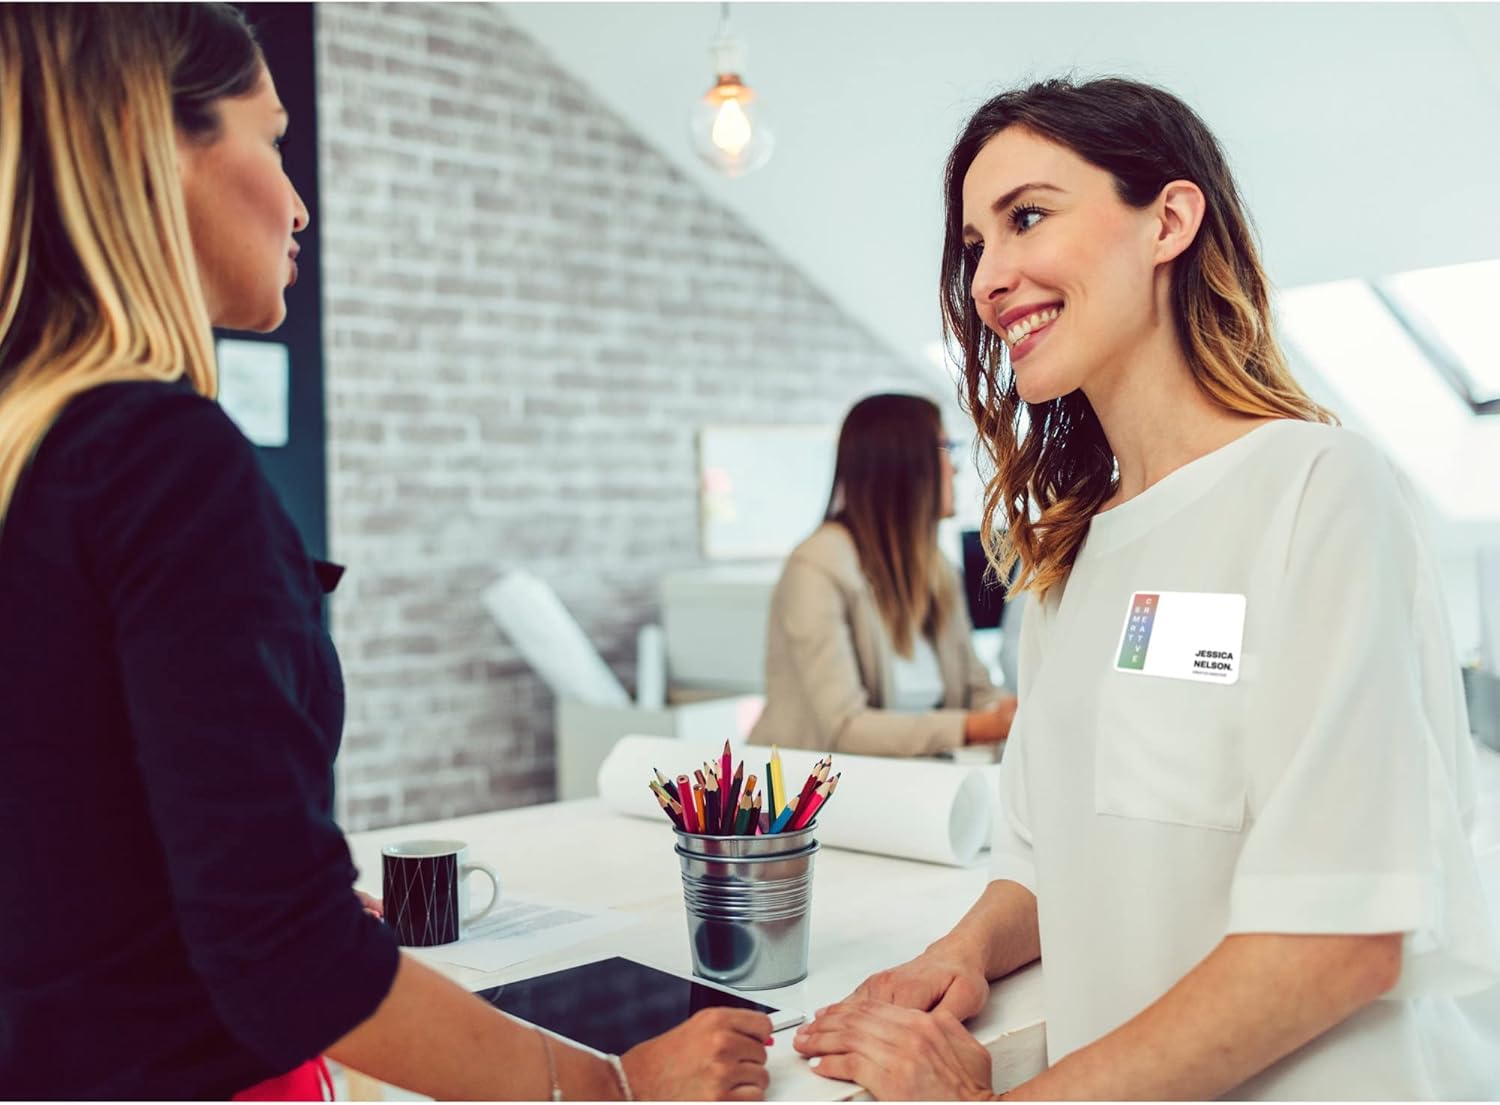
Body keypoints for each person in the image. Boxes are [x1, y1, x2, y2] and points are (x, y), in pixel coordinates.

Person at [0, 6, 771, 1099]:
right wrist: (614, 1086)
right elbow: (286, 961)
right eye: (272, 140)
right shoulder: (160, 459)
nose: (298, 202)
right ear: (153, 149)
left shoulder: (33, 454)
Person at [791, 77, 1500, 1098]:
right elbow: (1049, 858)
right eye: (976, 245)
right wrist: (961, 951)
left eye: (1027, 217)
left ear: (1168, 221)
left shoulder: (1319, 488)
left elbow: (1341, 934)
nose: (988, 280)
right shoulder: (1070, 553)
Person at [748, 393, 1017, 757]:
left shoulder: (936, 569)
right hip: (815, 787)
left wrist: (1019, 714)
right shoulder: (816, 568)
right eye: (945, 448)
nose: (954, 468)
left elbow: (977, 691)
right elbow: (845, 729)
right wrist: (976, 727)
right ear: (903, 463)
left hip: (914, 779)